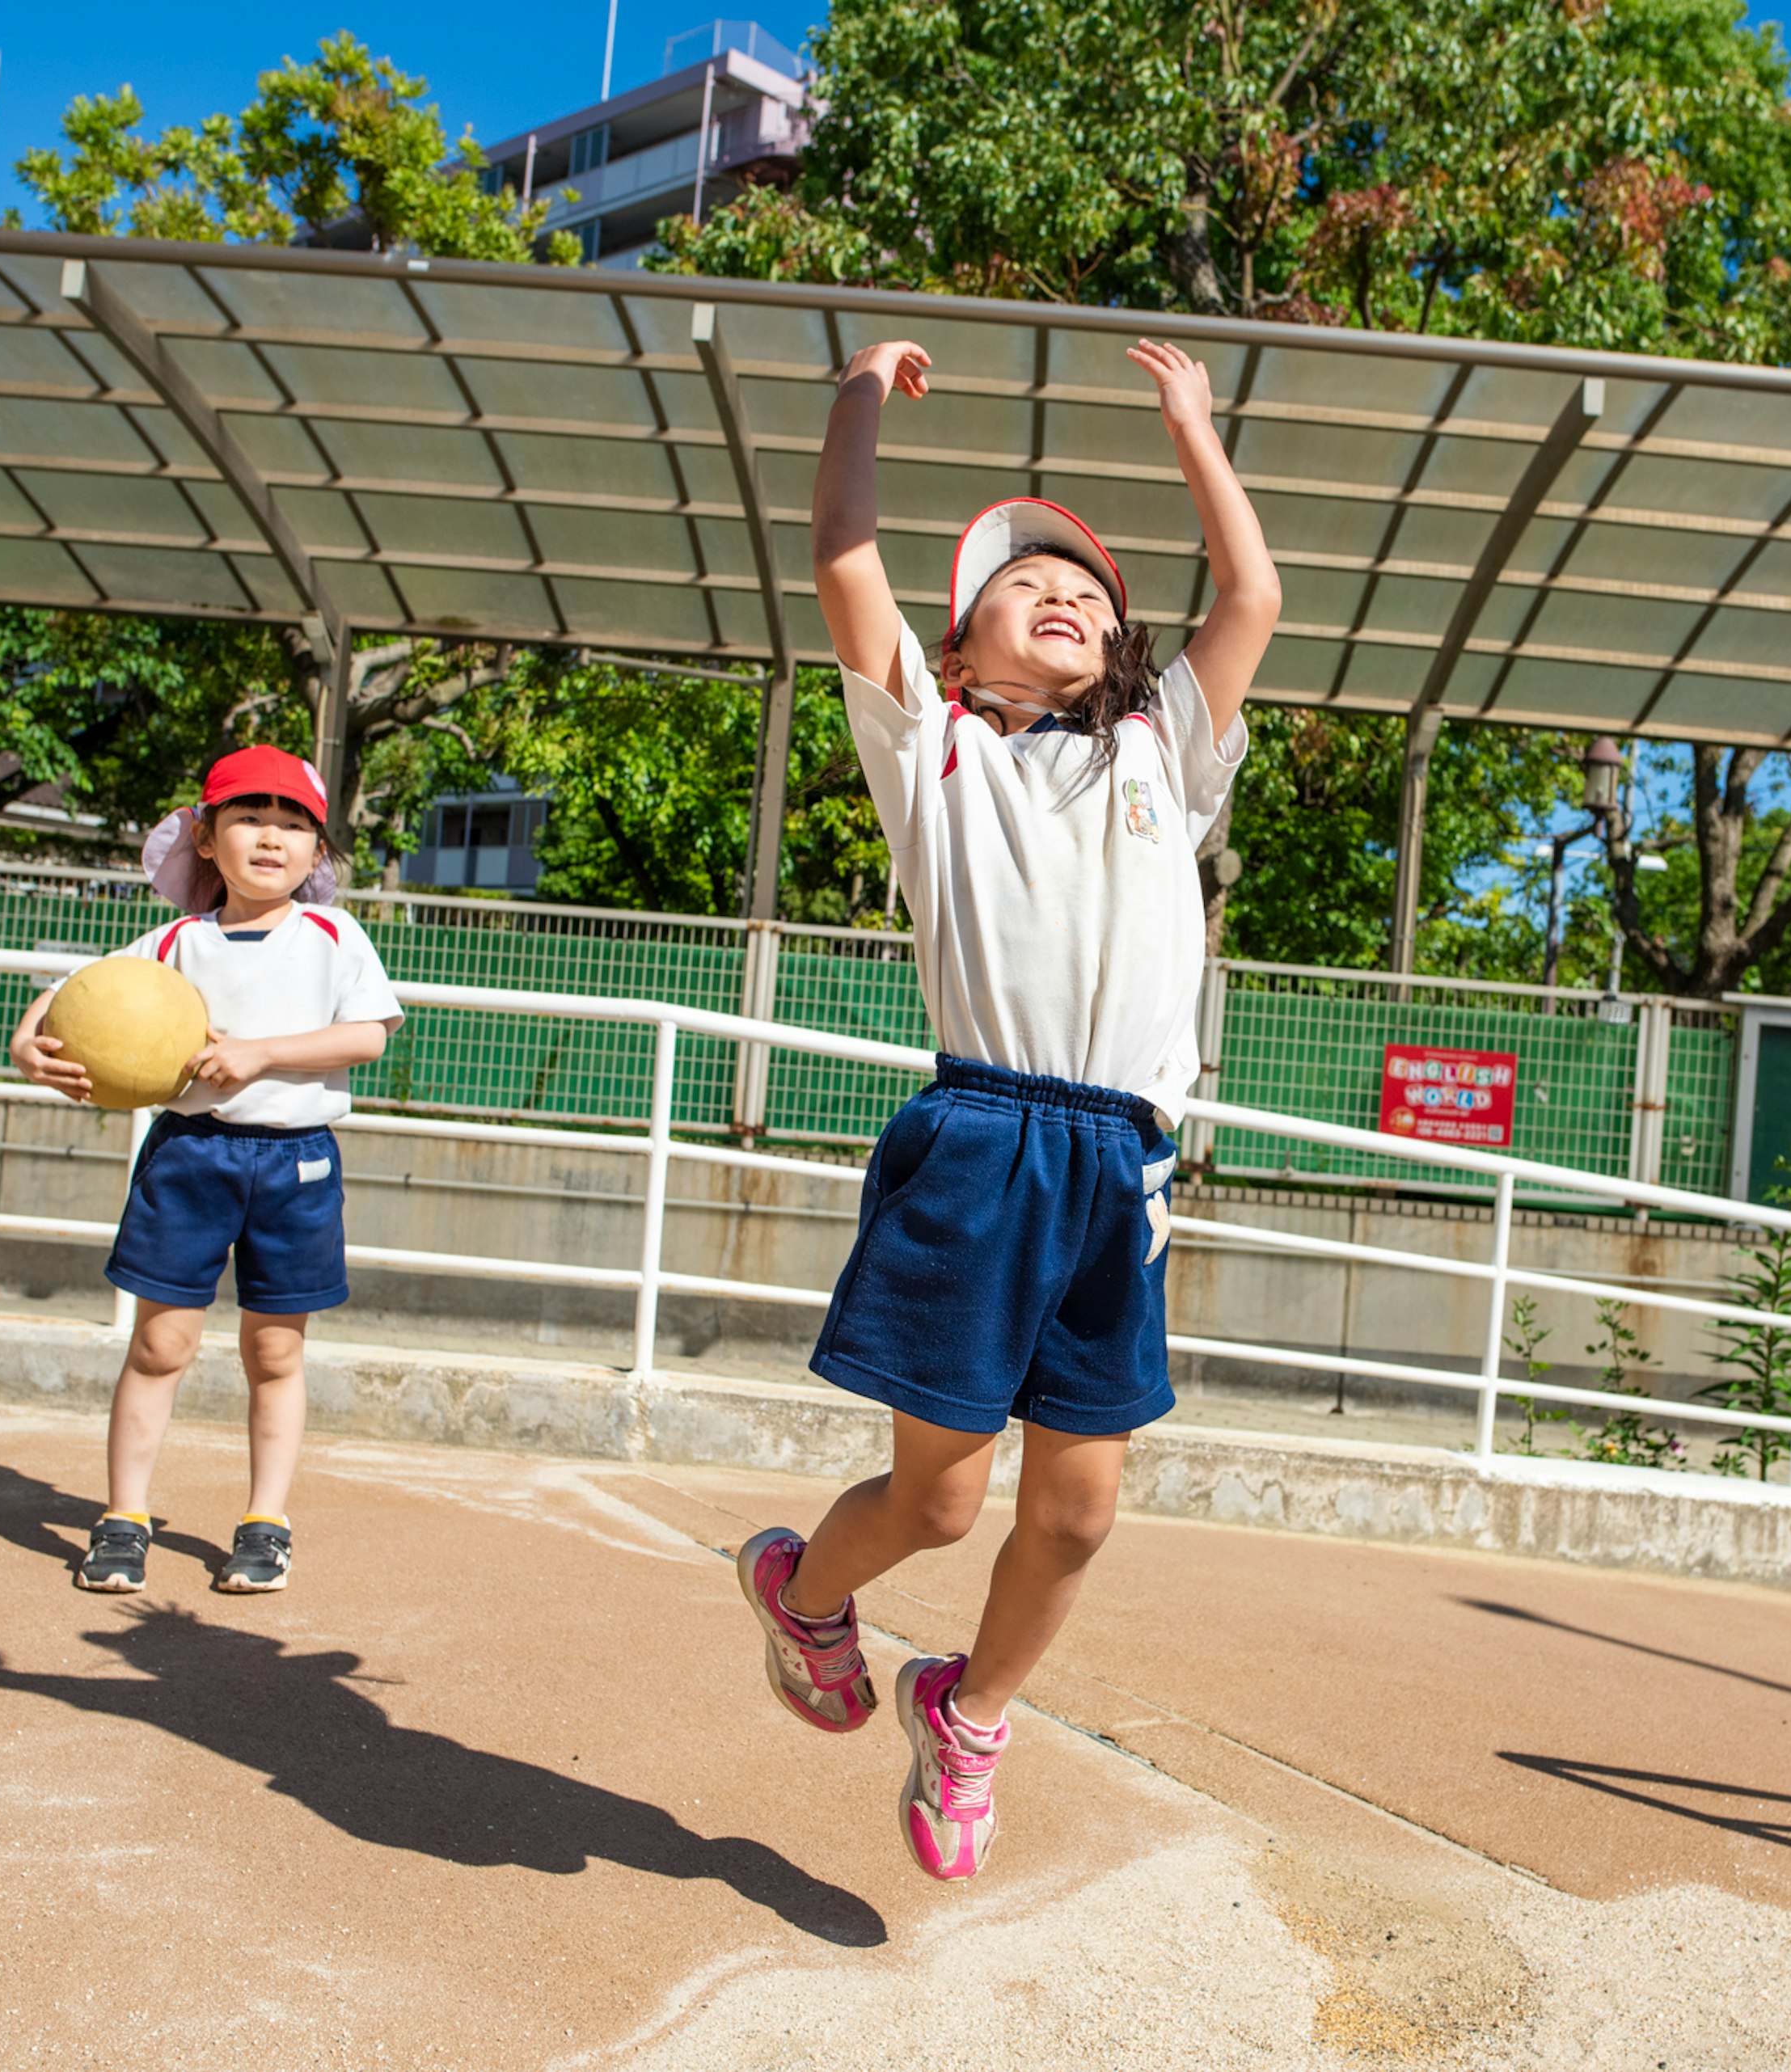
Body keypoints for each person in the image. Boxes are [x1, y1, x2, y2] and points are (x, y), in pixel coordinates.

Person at [737, 335, 1279, 1880]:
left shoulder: (1163, 758)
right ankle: (804, 1593)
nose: (1063, 593)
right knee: (944, 1496)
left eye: (1090, 591)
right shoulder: (937, 749)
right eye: (1017, 582)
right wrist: (850, 395)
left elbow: (1250, 603)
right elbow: (846, 554)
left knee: (1083, 1509)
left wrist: (1194, 430)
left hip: (1120, 1161)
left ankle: (968, 1712)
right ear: (960, 647)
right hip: (984, 1137)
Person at [10, 745, 402, 1597]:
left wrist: (260, 1055)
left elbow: (368, 1034)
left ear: (317, 852)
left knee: (274, 1352)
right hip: (190, 1157)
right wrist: (26, 1041)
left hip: (294, 1165)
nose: (273, 838)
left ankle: (266, 1520)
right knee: (159, 1342)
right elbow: (73, 991)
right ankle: (123, 1517)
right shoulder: (176, 940)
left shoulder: (334, 934)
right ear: (205, 838)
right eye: (250, 819)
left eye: (295, 825)